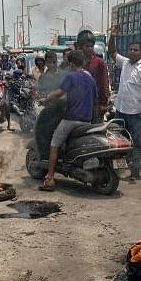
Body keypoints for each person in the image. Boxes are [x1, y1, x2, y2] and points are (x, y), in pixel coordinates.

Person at [38, 50, 97, 191]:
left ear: (70, 64)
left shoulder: (71, 77)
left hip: (72, 119)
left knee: (54, 143)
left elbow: (59, 92)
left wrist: (45, 100)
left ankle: (50, 178)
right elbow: (93, 97)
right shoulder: (90, 78)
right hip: (87, 120)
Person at [108, 25, 141, 180]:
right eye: (131, 49)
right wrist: (113, 36)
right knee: (118, 142)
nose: (133, 52)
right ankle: (118, 170)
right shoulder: (125, 63)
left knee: (135, 142)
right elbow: (112, 52)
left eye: (136, 50)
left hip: (135, 112)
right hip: (121, 110)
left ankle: (134, 172)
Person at [78, 30, 111, 123]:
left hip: (95, 106)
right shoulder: (77, 63)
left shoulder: (99, 62)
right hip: (80, 105)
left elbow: (104, 83)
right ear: (80, 47)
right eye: (86, 46)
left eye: (91, 46)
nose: (89, 48)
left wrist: (104, 103)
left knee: (95, 131)